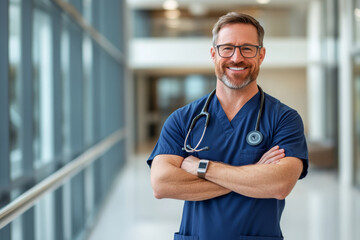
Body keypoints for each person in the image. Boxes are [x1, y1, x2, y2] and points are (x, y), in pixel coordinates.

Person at [147, 12, 308, 240]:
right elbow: (162, 185)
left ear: (261, 55)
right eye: (227, 48)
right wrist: (254, 174)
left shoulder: (284, 118)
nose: (236, 57)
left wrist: (202, 168)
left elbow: (279, 185)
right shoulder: (183, 119)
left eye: (247, 49)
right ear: (214, 54)